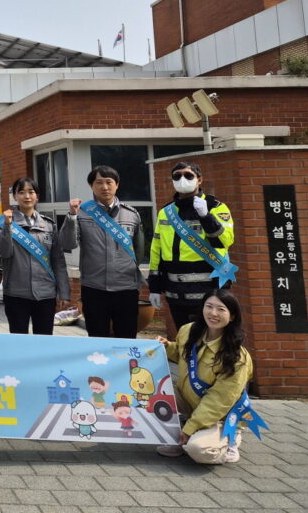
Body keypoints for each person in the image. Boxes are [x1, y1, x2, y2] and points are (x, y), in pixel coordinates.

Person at [156, 288, 254, 464]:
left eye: (221, 309)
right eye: (209, 306)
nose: (213, 313)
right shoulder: (188, 331)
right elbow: (180, 354)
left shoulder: (237, 356)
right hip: (190, 403)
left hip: (220, 414)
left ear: (232, 316)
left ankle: (230, 438)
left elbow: (218, 400)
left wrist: (190, 428)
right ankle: (187, 432)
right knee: (150, 389)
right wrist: (165, 347)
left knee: (198, 450)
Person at [148, 161, 234, 336]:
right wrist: (154, 287)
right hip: (175, 292)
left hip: (208, 290)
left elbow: (225, 241)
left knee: (210, 340)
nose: (182, 180)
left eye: (188, 176)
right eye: (177, 176)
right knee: (185, 340)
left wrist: (206, 216)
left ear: (199, 180)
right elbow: (156, 249)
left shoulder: (216, 207)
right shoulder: (166, 212)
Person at [61, 165, 147, 338]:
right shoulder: (82, 213)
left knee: (127, 335)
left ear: (117, 185)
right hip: (94, 287)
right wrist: (71, 216)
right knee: (97, 336)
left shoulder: (131, 214)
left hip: (126, 288)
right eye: (99, 182)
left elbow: (139, 250)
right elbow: (68, 243)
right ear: (92, 186)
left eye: (109, 182)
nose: (104, 187)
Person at [0, 176, 71, 335]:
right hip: (16, 293)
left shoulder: (49, 224)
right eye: (21, 192)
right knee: (19, 338)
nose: (27, 196)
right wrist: (8, 226)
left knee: (44, 339)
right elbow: (4, 252)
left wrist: (63, 292)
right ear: (15, 196)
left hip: (45, 293)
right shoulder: (4, 223)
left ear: (37, 196)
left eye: (31, 192)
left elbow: (58, 261)